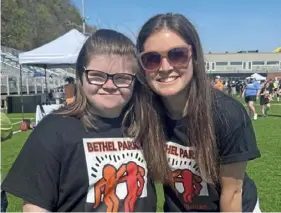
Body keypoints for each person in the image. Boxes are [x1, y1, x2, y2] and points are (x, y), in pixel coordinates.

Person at [1, 29, 169, 212]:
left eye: (122, 78)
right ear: (81, 76)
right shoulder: (53, 130)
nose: (110, 86)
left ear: (135, 81)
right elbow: (35, 207)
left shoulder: (146, 125)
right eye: (97, 76)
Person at [136, 13, 261, 212]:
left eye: (177, 54)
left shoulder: (227, 114)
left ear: (194, 57)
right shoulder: (144, 112)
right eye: (152, 59)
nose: (165, 67)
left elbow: (233, 194)